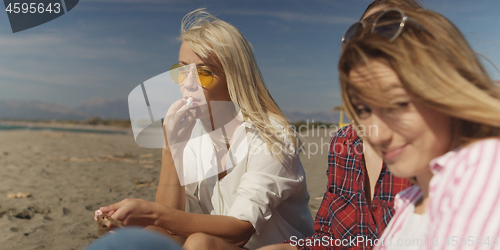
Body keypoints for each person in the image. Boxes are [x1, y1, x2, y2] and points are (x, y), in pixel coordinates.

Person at [92, 9, 314, 250]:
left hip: (280, 246)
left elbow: (240, 229)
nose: (188, 83)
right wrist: (171, 147)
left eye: (204, 73)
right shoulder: (194, 131)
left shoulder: (272, 134)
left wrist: (153, 213)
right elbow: (170, 220)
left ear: (234, 78)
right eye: (182, 70)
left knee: (197, 243)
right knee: (155, 235)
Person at [258, 1, 419, 250]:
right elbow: (328, 236)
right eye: (362, 35)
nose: (373, 48)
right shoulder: (344, 142)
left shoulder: (440, 145)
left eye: (390, 28)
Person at [339, 7, 500, 250]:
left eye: (398, 104)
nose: (378, 134)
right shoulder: (410, 200)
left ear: (448, 89)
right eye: (364, 110)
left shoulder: (486, 162)